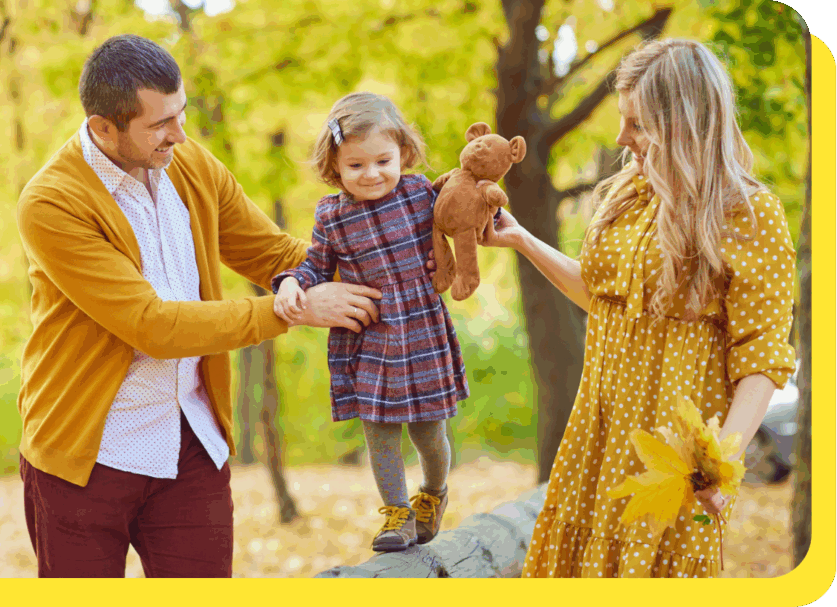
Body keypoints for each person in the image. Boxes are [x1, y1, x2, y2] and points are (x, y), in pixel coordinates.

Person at [14, 35, 391, 578]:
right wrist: (291, 311)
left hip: (189, 443)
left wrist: (399, 259)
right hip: (87, 456)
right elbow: (152, 327)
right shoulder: (52, 201)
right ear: (103, 128)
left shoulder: (187, 162)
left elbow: (272, 253)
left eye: (181, 113)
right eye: (160, 124)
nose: (180, 133)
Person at [482, 39, 797, 578]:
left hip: (669, 465)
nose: (621, 138)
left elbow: (761, 359)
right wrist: (525, 242)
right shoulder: (630, 194)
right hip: (594, 441)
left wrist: (716, 466)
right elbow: (607, 302)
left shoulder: (748, 213)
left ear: (685, 123)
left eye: (637, 123)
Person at [272, 92, 469, 552]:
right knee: (379, 430)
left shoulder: (422, 194)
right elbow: (315, 267)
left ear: (403, 152)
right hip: (371, 336)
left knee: (428, 432)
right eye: (356, 165)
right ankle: (396, 516)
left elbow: (464, 214)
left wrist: (485, 212)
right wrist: (289, 283)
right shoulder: (332, 215)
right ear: (335, 167)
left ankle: (433, 493)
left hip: (419, 329)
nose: (372, 173)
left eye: (383, 160)